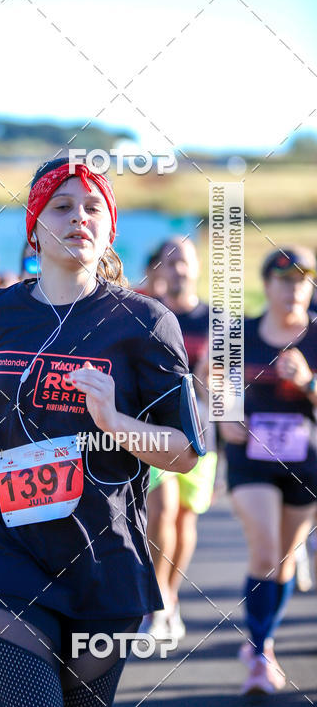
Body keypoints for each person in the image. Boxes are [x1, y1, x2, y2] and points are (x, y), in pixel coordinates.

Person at [0, 157, 204, 707]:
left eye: (93, 208)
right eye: (61, 206)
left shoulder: (145, 323)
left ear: (110, 228)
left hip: (104, 564)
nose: (78, 218)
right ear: (35, 227)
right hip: (9, 558)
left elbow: (185, 451)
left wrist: (115, 422)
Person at [221, 246, 317, 694]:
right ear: (267, 285)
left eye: (302, 278)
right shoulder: (240, 332)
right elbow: (212, 380)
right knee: (265, 551)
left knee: (281, 562)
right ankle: (260, 658)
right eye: (284, 278)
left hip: (304, 463)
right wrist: (224, 415)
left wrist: (308, 384)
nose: (294, 287)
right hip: (250, 460)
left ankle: (264, 639)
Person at [145, 237, 218, 642]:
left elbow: (230, 393)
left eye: (185, 262)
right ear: (157, 270)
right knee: (162, 508)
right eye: (169, 263)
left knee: (185, 516)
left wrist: (210, 384)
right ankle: (157, 600)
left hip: (202, 432)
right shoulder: (146, 316)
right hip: (157, 432)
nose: (178, 270)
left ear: (197, 267)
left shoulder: (217, 321)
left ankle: (170, 596)